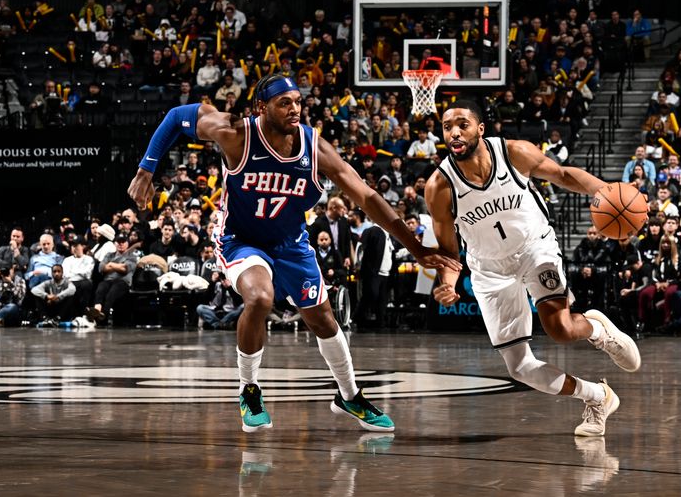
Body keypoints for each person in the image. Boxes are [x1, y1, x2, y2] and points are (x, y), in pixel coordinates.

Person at [128, 73, 459, 434]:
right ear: (261, 108)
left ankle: (349, 395)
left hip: (291, 243)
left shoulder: (313, 147)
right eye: (284, 102)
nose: (295, 109)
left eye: (298, 102)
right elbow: (178, 116)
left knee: (322, 319)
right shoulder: (236, 134)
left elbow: (365, 197)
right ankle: (249, 389)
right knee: (260, 297)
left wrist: (413, 245)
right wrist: (147, 167)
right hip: (241, 239)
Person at [425, 101, 641, 437]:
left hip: (534, 249)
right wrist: (448, 283)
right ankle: (597, 397)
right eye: (447, 126)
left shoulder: (514, 153)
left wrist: (606, 190)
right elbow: (448, 249)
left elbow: (564, 175)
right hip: (489, 271)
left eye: (462, 124)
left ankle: (599, 331)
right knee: (521, 368)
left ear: (480, 129)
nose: (454, 131)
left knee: (560, 329)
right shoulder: (439, 186)